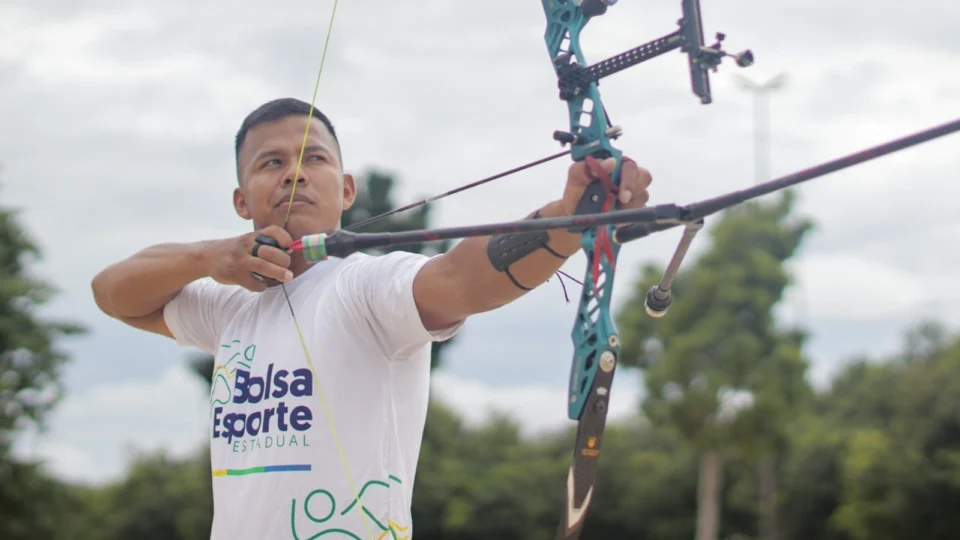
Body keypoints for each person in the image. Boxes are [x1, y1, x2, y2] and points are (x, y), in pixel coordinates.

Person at [91, 97, 652, 539]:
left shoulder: (364, 286)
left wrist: (565, 220)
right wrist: (209, 257)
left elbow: (460, 278)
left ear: (347, 188)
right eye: (272, 162)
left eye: (314, 158)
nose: (294, 174)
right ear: (243, 201)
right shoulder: (227, 305)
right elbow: (112, 292)